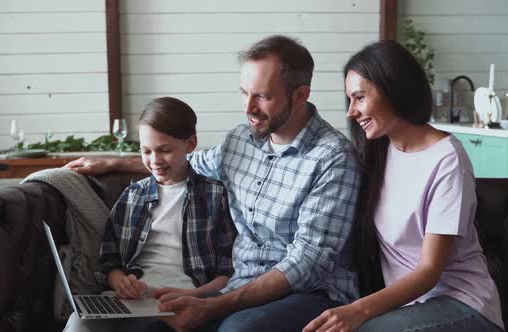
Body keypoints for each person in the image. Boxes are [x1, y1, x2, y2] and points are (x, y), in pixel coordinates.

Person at [67, 35, 362, 332]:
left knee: (236, 330)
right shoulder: (240, 141)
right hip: (238, 288)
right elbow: (186, 162)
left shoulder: (333, 158)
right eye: (244, 93)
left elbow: (307, 262)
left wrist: (212, 305)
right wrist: (111, 163)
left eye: (263, 96)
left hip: (309, 293)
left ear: (300, 95)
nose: (249, 108)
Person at [303, 40, 504, 332]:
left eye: (359, 97)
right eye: (350, 100)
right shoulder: (378, 154)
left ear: (393, 89)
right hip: (411, 308)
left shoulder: (447, 158)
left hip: (464, 305)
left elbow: (428, 271)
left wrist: (356, 311)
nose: (351, 112)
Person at [64, 97, 237, 332]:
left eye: (165, 150)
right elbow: (110, 261)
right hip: (132, 299)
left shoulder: (216, 196)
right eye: (146, 151)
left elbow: (228, 272)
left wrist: (192, 295)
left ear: (191, 144)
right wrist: (121, 284)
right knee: (79, 321)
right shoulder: (132, 196)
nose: (154, 161)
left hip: (187, 299)